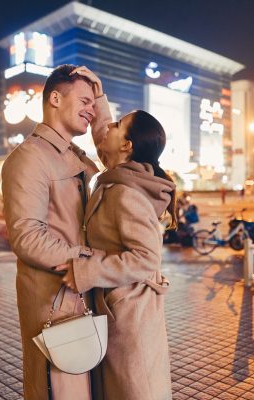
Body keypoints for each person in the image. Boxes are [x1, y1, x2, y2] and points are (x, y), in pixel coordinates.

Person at [56, 67, 174, 400]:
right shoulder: (121, 174)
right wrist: (99, 94)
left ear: (129, 145)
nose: (109, 126)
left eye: (118, 125)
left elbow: (147, 258)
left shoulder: (126, 192)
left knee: (135, 390)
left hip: (132, 315)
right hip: (120, 309)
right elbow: (105, 142)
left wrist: (88, 270)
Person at [1, 64, 107, 399]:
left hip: (77, 293)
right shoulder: (30, 158)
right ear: (56, 98)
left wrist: (101, 97)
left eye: (94, 103)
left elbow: (118, 153)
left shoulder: (69, 155)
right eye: (85, 100)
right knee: (58, 391)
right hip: (53, 299)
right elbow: (27, 237)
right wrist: (88, 259)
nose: (91, 110)